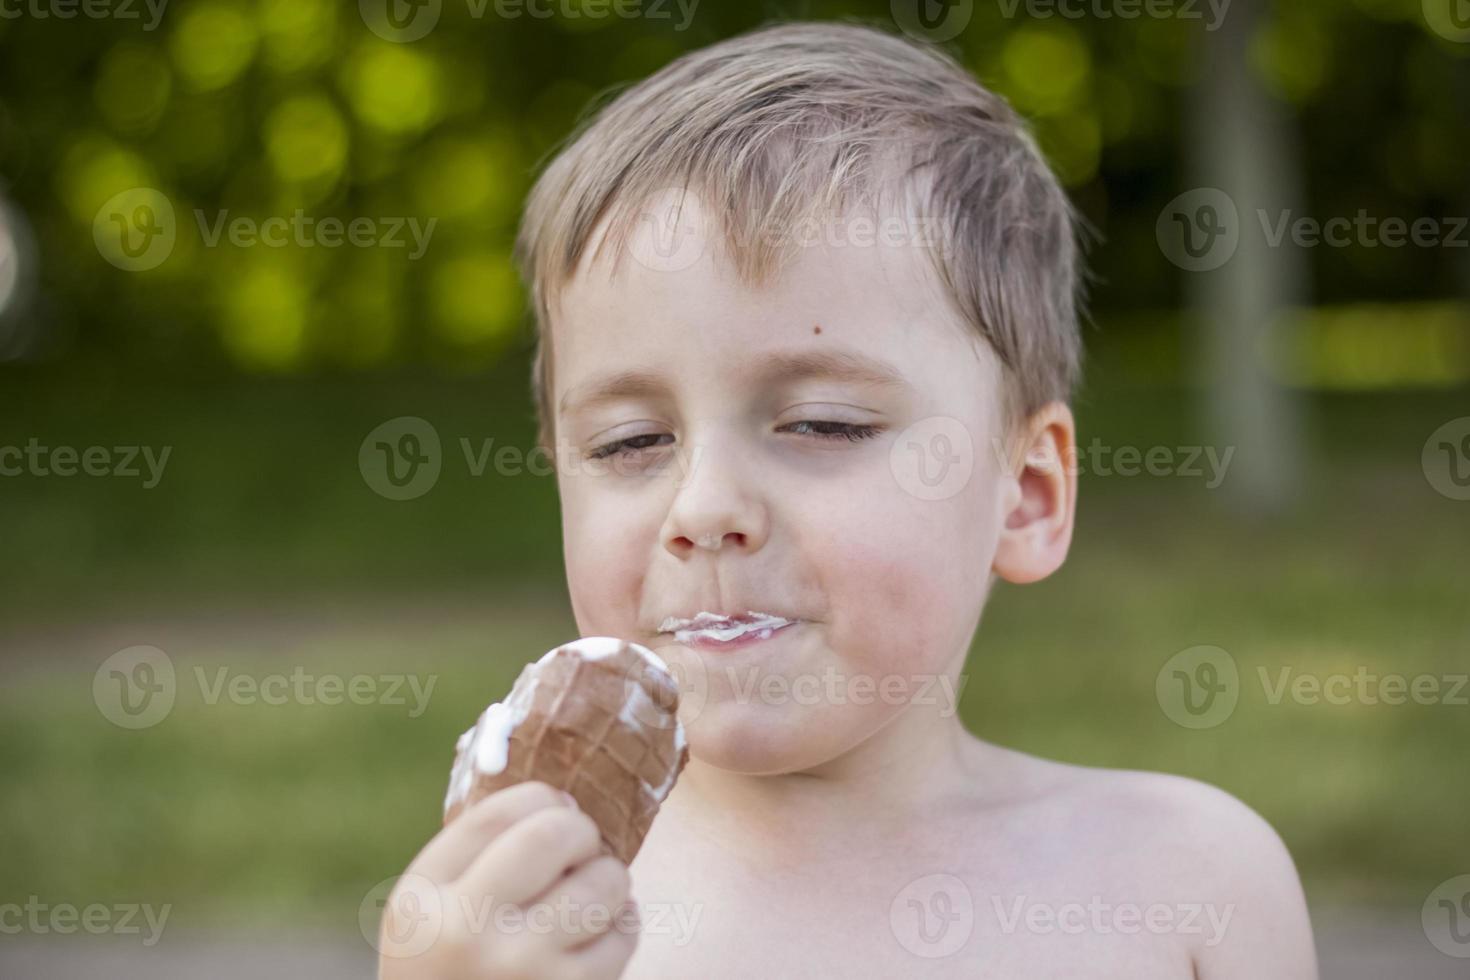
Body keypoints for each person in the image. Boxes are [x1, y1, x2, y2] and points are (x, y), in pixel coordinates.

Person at [380, 20, 1317, 979]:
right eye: (632, 441)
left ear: (1026, 494)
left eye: (824, 424)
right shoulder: (536, 925)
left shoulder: (1189, 883)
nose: (703, 507)